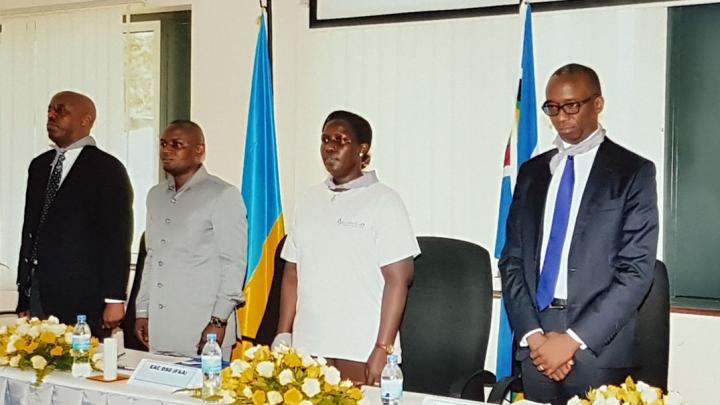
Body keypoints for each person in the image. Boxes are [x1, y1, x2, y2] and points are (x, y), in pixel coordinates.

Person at [499, 63, 659, 405]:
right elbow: (512, 260)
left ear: (597, 104)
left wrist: (572, 339)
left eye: (571, 105)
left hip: (597, 348)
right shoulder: (532, 173)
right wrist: (534, 336)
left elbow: (636, 271)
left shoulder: (632, 172)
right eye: (552, 108)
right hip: (536, 343)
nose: (561, 117)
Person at [272, 110, 420, 384]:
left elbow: (399, 280)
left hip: (361, 350)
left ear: (362, 150)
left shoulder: (385, 202)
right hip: (308, 349)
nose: (329, 147)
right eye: (325, 139)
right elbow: (292, 273)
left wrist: (383, 348)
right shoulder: (307, 200)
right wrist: (284, 333)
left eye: (340, 140)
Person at [16, 91, 133, 337]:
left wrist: (114, 298)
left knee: (79, 367)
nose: (51, 116)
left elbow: (117, 236)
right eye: (50, 110)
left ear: (85, 120)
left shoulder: (107, 169)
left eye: (61, 111)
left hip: (83, 291)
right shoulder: (39, 166)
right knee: (40, 364)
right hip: (39, 289)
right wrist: (24, 294)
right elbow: (31, 228)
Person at [134, 120, 247, 360]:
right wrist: (142, 310)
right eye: (163, 144)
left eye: (177, 144)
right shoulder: (155, 195)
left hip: (204, 328)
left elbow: (234, 264)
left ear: (199, 150)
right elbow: (153, 257)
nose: (167, 150)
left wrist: (219, 320)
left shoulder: (223, 194)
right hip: (161, 327)